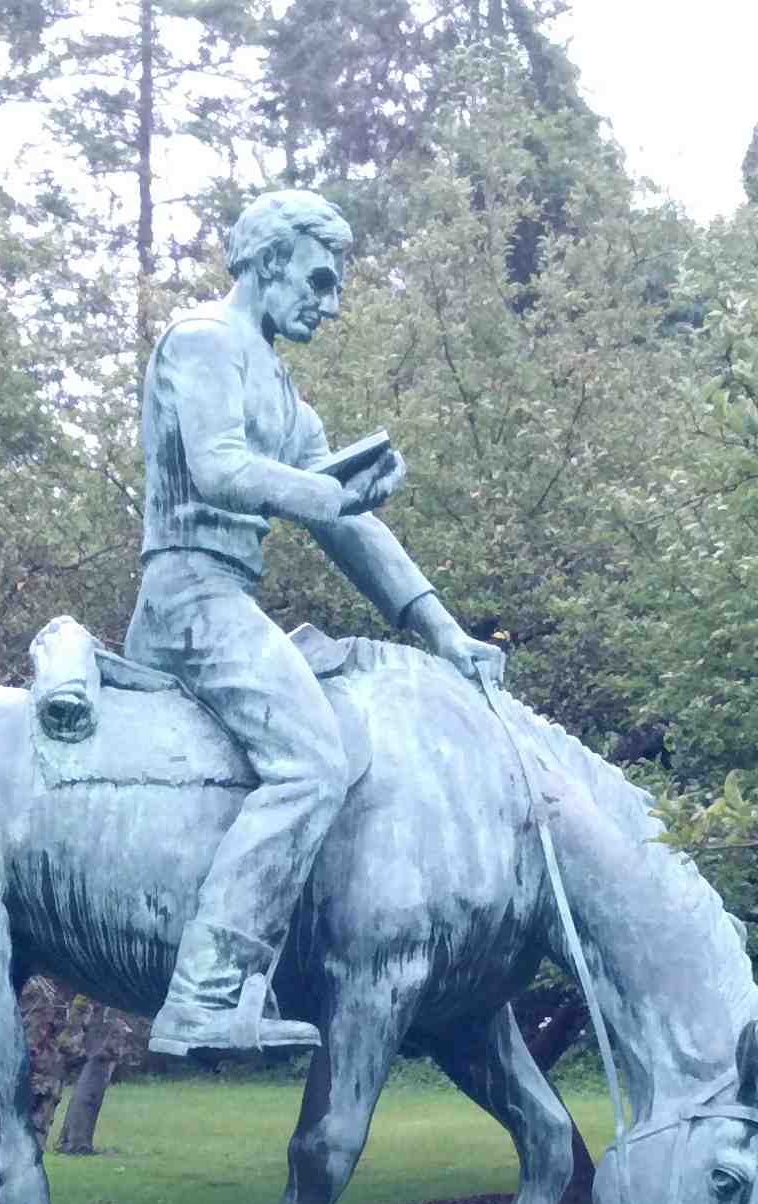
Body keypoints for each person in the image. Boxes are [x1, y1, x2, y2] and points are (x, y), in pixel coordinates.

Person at [132, 188, 502, 1058]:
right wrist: (328, 493)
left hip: (227, 598)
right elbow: (220, 468)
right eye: (320, 281)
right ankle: (206, 990)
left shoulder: (289, 399)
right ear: (268, 262)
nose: (330, 306)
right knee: (311, 762)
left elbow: (348, 528)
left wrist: (443, 630)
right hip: (189, 596)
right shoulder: (202, 340)